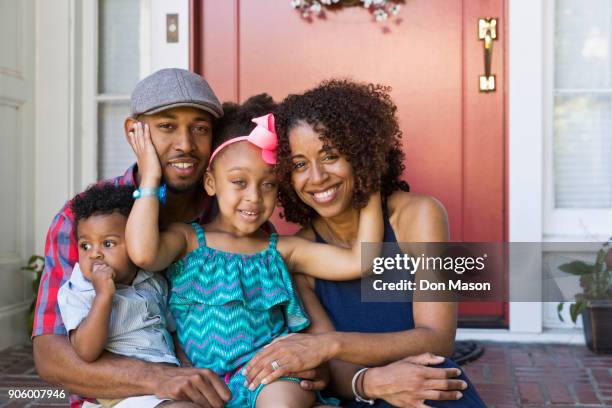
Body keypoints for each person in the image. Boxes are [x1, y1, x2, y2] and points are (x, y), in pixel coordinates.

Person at [124, 94, 383, 407]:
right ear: (210, 182)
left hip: (269, 376)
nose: (254, 197)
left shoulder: (282, 250)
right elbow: (142, 253)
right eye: (238, 182)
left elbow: (359, 261)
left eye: (268, 184)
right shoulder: (187, 239)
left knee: (282, 401)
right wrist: (150, 176)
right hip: (201, 382)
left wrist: (368, 181)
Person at [243, 79, 488, 407]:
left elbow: (437, 338)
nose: (316, 177)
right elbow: (331, 372)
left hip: (427, 387)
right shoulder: (300, 255)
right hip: (362, 396)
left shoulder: (418, 216)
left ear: (360, 154)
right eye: (300, 164)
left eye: (330, 155)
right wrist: (371, 382)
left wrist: (329, 345)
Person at [32, 68, 234, 408]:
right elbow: (51, 355)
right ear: (134, 132)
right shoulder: (85, 222)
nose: (185, 144)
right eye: (167, 126)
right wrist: (160, 377)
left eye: (200, 129)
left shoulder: (232, 217)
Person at [58, 184, 181, 407]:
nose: (94, 253)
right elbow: (86, 350)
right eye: (85, 245)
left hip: (167, 382)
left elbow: (172, 330)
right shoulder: (77, 291)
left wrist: (187, 366)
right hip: (123, 391)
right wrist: (103, 297)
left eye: (108, 243)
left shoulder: (153, 281)